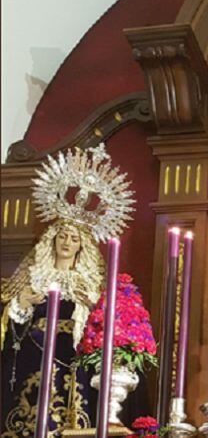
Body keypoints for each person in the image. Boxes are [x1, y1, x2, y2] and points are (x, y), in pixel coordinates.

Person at [1, 144, 134, 435]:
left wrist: (90, 306)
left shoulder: (91, 284)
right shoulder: (35, 275)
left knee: (75, 414)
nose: (66, 242)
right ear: (52, 240)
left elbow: (105, 329)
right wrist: (22, 303)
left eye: (73, 238)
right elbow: (11, 327)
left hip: (73, 355)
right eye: (62, 235)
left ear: (81, 246)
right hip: (33, 352)